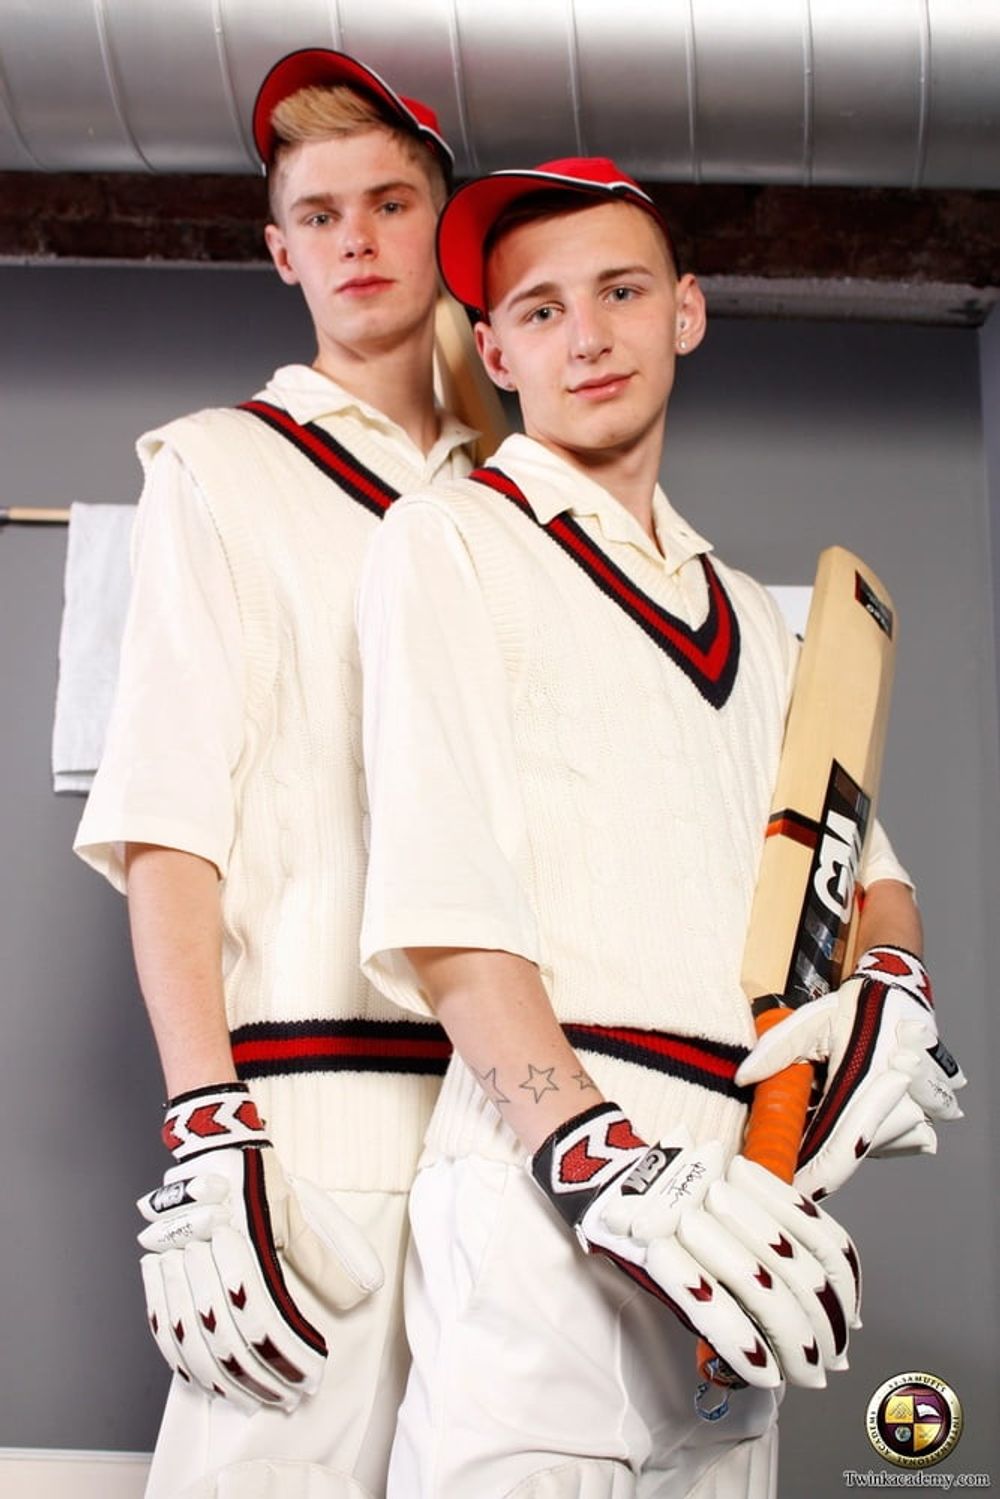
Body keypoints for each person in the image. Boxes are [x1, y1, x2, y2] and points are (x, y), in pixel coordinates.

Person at [356, 157, 964, 1497]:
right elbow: (446, 902)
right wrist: (596, 1165)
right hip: (548, 1187)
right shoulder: (451, 539)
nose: (586, 335)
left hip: (745, 1196)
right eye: (540, 307)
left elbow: (868, 879)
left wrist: (891, 991)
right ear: (497, 349)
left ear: (685, 311)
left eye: (621, 291)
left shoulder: (756, 613)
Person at [74, 47, 475, 1499]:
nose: (356, 237)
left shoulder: (517, 496)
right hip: (314, 1130)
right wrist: (207, 1124)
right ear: (281, 252)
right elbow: (168, 819)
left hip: (520, 1138)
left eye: (388, 200)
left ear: (446, 224)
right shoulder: (216, 469)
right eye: (320, 214)